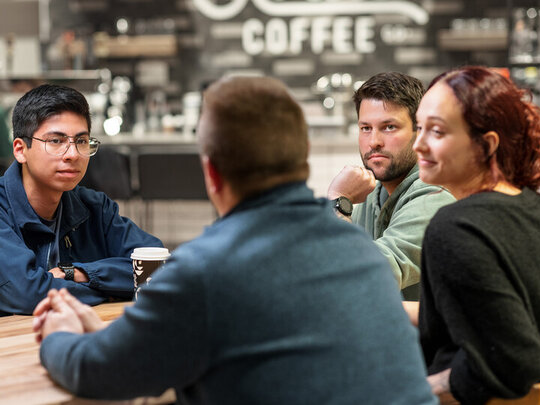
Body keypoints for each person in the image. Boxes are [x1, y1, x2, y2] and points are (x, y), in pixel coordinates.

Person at [32, 76, 437, 404]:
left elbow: (99, 373)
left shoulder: (204, 270)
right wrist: (107, 337)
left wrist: (59, 335)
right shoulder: (358, 252)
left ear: (211, 173)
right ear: (303, 159)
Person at [0, 84, 163, 319]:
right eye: (56, 141)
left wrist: (78, 273)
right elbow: (27, 295)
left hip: (73, 342)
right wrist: (111, 292)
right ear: (21, 150)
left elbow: (159, 268)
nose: (72, 154)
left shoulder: (94, 207)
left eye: (81, 141)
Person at [412, 66, 540, 404]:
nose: (418, 144)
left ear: (486, 145)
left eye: (437, 132)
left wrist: (418, 389)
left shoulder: (455, 227)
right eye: (419, 127)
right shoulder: (538, 209)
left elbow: (517, 362)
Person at [327, 72, 454, 298]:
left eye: (389, 127)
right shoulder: (373, 191)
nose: (374, 141)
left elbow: (368, 278)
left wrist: (339, 201)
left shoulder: (435, 196)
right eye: (365, 128)